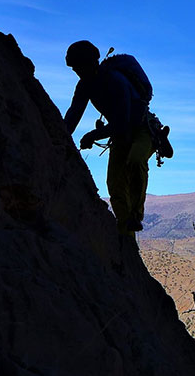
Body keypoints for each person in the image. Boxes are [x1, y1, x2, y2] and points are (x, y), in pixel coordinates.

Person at [63, 40, 153, 235]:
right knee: (114, 183)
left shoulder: (114, 80)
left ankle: (136, 216)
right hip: (120, 134)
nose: (76, 71)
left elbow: (123, 122)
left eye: (78, 66)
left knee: (136, 160)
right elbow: (73, 114)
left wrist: (92, 135)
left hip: (141, 129)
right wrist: (59, 134)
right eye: (74, 68)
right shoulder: (84, 86)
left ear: (91, 62)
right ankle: (125, 229)